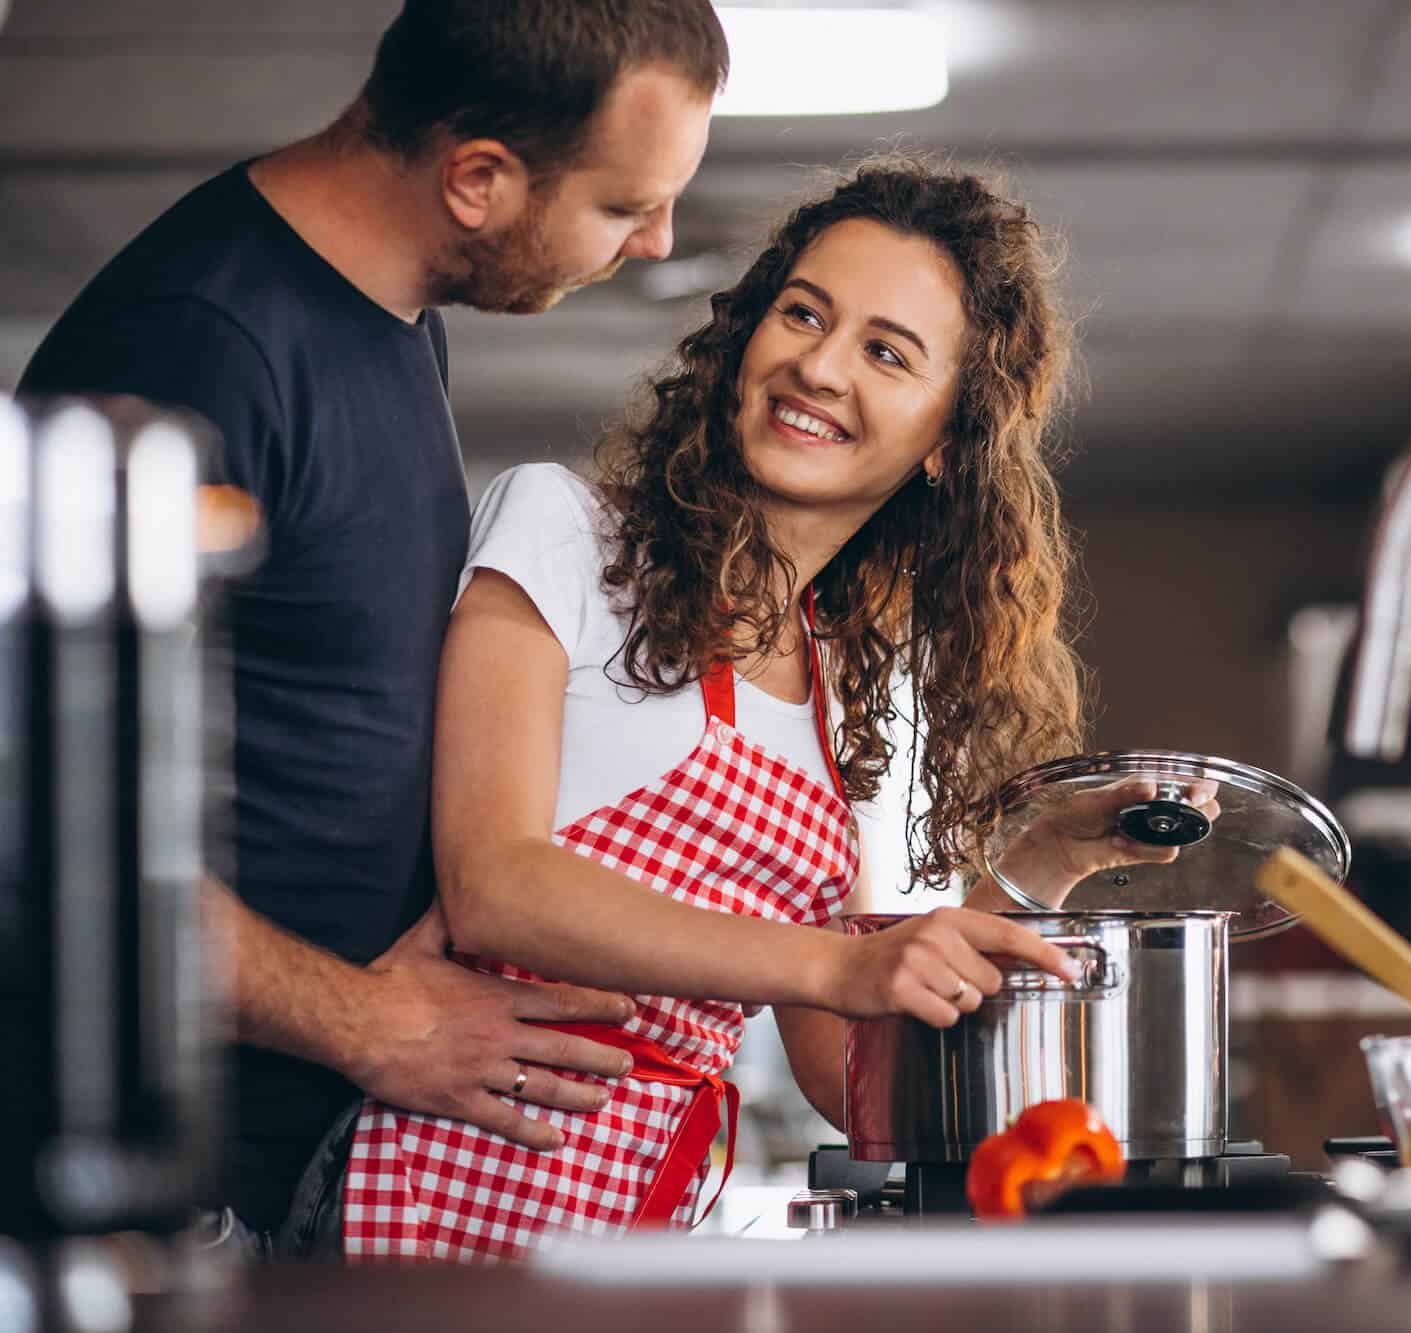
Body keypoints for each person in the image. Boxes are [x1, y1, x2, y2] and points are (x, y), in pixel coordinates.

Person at [337, 156, 1204, 1262]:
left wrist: (1035, 866)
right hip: (450, 1184)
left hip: (644, 1221)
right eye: (802, 313)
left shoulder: (837, 681)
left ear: (949, 441)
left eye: (885, 352)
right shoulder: (564, 535)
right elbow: (496, 885)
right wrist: (837, 962)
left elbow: (850, 1083)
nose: (817, 365)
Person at [14, 0, 728, 1250]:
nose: (656, 243)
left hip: (294, 1164)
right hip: (164, 1193)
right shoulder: (196, 345)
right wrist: (371, 1024)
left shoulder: (397, 323)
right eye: (624, 207)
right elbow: (48, 832)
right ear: (478, 180)